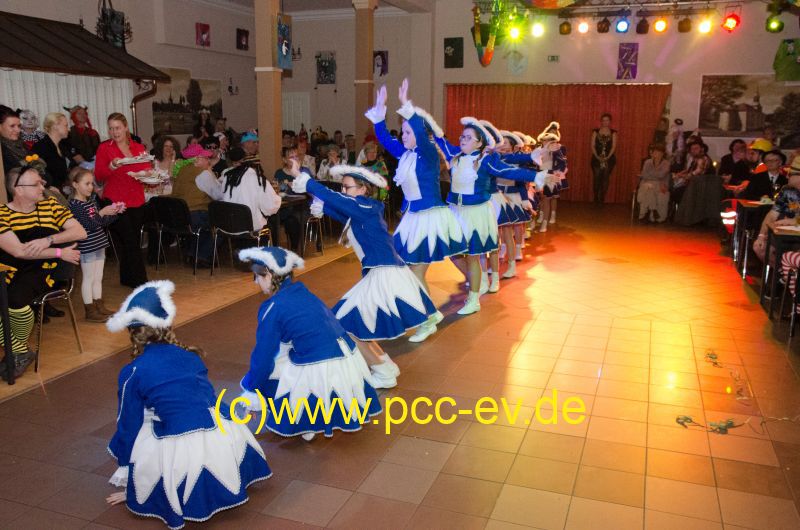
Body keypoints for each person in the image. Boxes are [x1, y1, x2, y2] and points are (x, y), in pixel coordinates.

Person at [105, 280, 272, 528]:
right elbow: (205, 396)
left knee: (146, 431)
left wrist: (130, 476)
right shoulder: (189, 355)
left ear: (133, 333)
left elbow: (128, 424)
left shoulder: (133, 371)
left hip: (179, 438)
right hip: (220, 434)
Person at [291, 163, 437, 385]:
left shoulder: (366, 207)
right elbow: (336, 205)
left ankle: (384, 373)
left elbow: (336, 200)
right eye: (342, 187)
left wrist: (307, 181)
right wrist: (315, 195)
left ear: (363, 189)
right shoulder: (361, 210)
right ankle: (385, 365)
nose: (343, 191)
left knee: (346, 325)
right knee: (353, 325)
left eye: (347, 187)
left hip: (385, 275)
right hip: (380, 274)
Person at [237, 246, 382, 441]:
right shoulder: (303, 292)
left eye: (257, 276)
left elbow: (263, 357)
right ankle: (310, 417)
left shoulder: (273, 307)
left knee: (266, 370)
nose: (256, 282)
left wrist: (251, 389)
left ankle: (305, 420)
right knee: (282, 359)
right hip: (350, 363)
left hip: (321, 366)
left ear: (269, 275)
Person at [365, 80, 466, 323]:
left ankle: (430, 316)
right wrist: (380, 112)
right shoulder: (405, 154)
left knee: (415, 270)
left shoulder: (428, 152)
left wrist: (407, 106)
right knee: (412, 270)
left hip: (429, 219)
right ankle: (430, 314)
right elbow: (385, 140)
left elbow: (421, 132)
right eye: (403, 132)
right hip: (412, 218)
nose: (404, 136)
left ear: (421, 135)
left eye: (408, 132)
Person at [435, 117, 540, 312]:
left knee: (476, 253)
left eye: (468, 137)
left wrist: (537, 175)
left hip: (477, 211)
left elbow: (510, 170)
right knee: (454, 252)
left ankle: (475, 297)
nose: (463, 139)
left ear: (479, 142)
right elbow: (440, 140)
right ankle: (478, 280)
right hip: (456, 212)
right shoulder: (455, 156)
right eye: (462, 136)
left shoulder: (485, 159)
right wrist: (421, 121)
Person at [0, 163, 85, 379]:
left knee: (15, 300)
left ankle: (15, 352)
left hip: (43, 271)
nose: (42, 187)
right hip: (9, 269)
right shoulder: (1, 214)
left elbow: (79, 232)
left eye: (42, 182)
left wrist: (47, 240)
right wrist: (59, 252)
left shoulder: (51, 206)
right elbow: (19, 251)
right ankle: (19, 350)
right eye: (36, 184)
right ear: (18, 189)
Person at [94, 113, 152, 287]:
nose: (114, 132)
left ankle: (126, 277)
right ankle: (141, 282)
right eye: (111, 128)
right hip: (115, 201)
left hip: (136, 200)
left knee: (131, 240)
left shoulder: (138, 147)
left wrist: (148, 174)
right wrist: (112, 166)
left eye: (118, 128)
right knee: (131, 241)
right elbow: (99, 176)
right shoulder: (105, 148)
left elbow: (146, 168)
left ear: (126, 127)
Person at [68, 168, 125, 322]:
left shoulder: (90, 202)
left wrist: (114, 212)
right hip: (87, 246)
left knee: (98, 277)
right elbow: (89, 225)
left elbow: (101, 223)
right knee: (88, 278)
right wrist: (103, 212)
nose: (90, 187)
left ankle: (99, 306)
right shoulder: (75, 205)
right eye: (86, 184)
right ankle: (90, 311)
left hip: (99, 243)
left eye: (91, 184)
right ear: (75, 184)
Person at [221, 147, 281, 232]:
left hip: (230, 227)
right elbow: (270, 207)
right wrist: (278, 198)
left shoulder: (227, 177)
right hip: (250, 227)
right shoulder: (257, 178)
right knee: (272, 221)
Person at [531, 122, 568, 233]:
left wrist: (557, 174)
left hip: (550, 175)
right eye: (544, 140)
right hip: (539, 175)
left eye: (548, 140)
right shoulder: (538, 149)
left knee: (547, 199)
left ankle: (545, 222)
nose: (546, 142)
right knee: (538, 199)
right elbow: (532, 161)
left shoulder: (556, 150)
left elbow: (562, 163)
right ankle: (533, 221)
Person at [32, 112, 72, 193]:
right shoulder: (41, 147)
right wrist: (48, 186)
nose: (69, 129)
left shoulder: (63, 147)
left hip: (62, 190)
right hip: (47, 192)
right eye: (66, 125)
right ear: (55, 126)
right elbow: (36, 172)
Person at [636, 143, 671, 223]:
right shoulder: (647, 162)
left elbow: (662, 175)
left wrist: (651, 175)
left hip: (661, 185)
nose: (654, 153)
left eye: (657, 151)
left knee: (648, 189)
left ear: (662, 153)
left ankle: (644, 214)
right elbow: (644, 175)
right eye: (654, 151)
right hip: (647, 183)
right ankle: (654, 209)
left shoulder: (666, 163)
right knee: (648, 188)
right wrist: (655, 176)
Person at [591, 113, 617, 204]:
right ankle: (595, 197)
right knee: (597, 177)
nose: (605, 122)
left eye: (607, 120)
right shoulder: (595, 132)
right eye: (603, 120)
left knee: (605, 177)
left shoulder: (613, 133)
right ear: (601, 121)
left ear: (610, 121)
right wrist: (597, 156)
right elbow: (592, 145)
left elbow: (614, 147)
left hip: (609, 158)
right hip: (596, 158)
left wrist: (607, 157)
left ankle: (602, 197)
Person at [0, 105, 26, 172]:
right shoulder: (3, 151)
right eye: (12, 126)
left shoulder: (21, 143)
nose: (18, 130)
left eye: (19, 126)